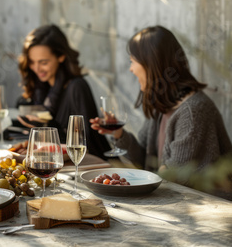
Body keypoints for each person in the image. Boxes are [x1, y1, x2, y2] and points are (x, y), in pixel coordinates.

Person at [91, 25, 232, 175]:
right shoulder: (162, 104)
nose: (130, 69)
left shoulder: (193, 112)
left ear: (151, 64)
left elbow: (174, 177)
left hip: (200, 198)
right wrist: (119, 133)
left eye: (132, 61)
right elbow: (144, 160)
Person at [16, 24, 111, 159]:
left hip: (90, 166)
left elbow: (85, 143)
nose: (36, 69)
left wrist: (47, 128)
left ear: (61, 56)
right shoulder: (42, 87)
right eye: (32, 62)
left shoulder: (76, 87)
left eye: (43, 62)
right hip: (57, 163)